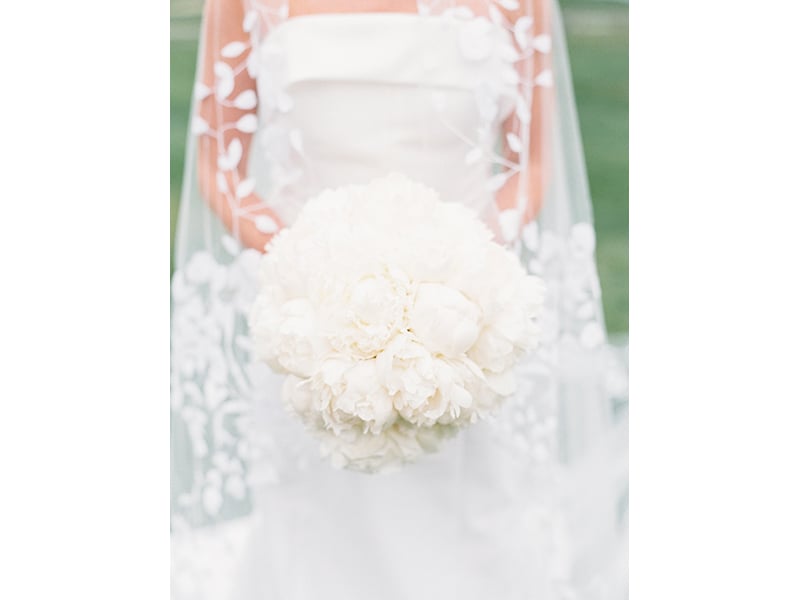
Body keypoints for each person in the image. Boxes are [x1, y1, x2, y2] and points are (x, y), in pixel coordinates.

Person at [171, 1, 628, 598]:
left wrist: (468, 270)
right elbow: (219, 167)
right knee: (318, 532)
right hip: (314, 324)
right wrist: (307, 269)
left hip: (462, 324)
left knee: (470, 522)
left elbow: (532, 162)